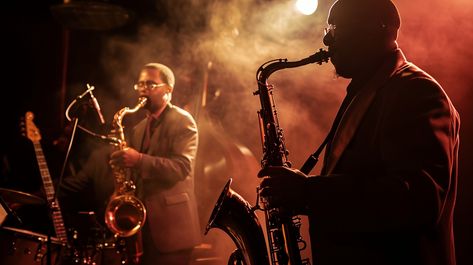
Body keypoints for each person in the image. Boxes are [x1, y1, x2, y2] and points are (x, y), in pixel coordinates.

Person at [258, 0, 460, 265]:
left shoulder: (416, 92)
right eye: (327, 27)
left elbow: (418, 200)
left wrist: (309, 191)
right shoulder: (369, 91)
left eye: (338, 27)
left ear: (378, 29)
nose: (328, 37)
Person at [58, 63, 202, 265]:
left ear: (168, 90)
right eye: (140, 84)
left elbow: (181, 168)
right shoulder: (139, 127)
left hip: (172, 230)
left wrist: (139, 159)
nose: (143, 88)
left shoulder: (183, 121)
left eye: (151, 84)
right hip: (144, 229)